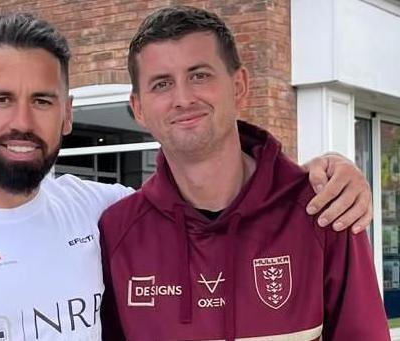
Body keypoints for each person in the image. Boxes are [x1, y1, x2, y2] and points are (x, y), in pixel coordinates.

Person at [0, 12, 372, 341]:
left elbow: (215, 194)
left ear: (66, 113)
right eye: (0, 99)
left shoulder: (100, 213)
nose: (21, 121)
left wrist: (328, 173)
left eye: (41, 100)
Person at [98, 6, 389, 341]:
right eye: (162, 84)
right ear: (138, 109)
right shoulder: (117, 232)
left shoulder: (324, 210)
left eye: (199, 75)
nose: (182, 98)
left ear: (239, 86)